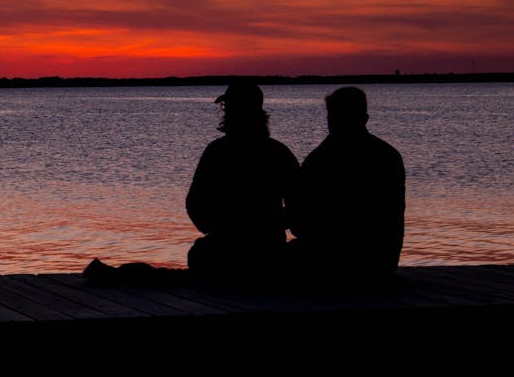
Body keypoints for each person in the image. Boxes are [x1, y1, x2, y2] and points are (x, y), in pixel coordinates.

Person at [84, 81, 299, 286]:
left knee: (181, 271)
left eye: (227, 106)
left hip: (224, 253)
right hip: (268, 254)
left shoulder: (218, 152)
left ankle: (112, 275)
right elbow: (300, 210)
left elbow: (195, 203)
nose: (225, 111)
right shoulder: (279, 152)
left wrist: (222, 228)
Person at [287, 86, 405, 284]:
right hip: (382, 263)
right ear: (365, 118)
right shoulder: (388, 155)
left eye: (334, 117)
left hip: (334, 262)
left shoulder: (321, 159)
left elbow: (300, 223)